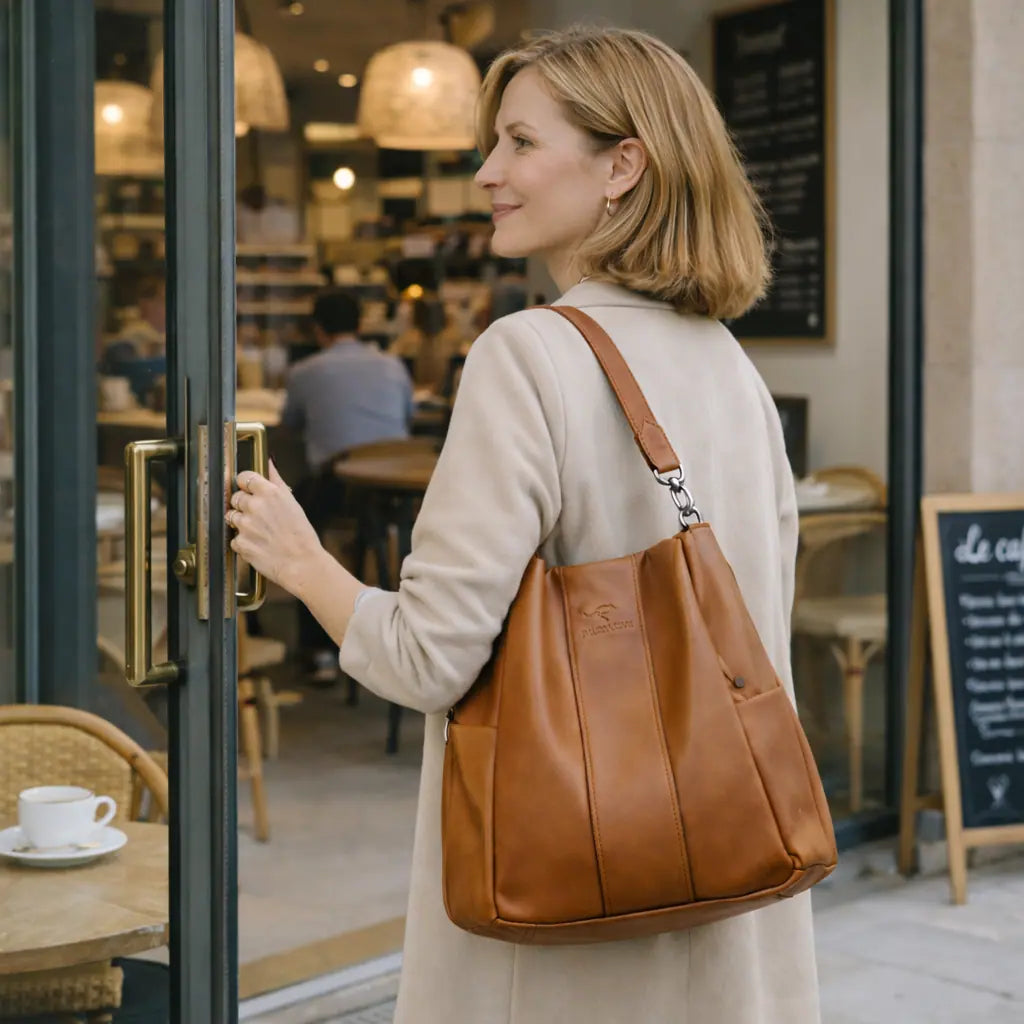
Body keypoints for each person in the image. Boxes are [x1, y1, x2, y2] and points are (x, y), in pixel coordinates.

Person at [228, 27, 819, 1024]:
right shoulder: (728, 363)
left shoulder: (529, 354)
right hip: (726, 887)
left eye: (518, 142)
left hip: (577, 928)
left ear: (621, 164)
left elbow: (427, 659)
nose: (486, 173)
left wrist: (300, 558)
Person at [281, 287, 413, 680]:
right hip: (398, 490)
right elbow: (407, 417)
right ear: (360, 326)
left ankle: (319, 652)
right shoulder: (393, 366)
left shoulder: (305, 372)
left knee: (301, 538)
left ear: (317, 330)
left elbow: (290, 424)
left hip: (340, 485)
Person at [99, 275, 167, 404]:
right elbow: (125, 366)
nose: (168, 307)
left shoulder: (177, 336)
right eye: (163, 300)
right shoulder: (131, 336)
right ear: (146, 303)